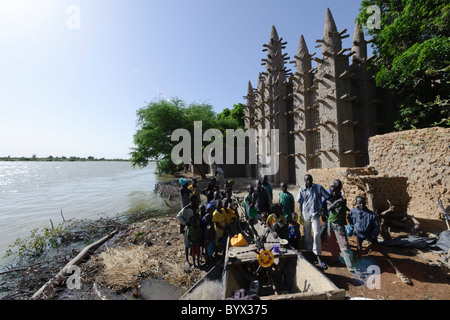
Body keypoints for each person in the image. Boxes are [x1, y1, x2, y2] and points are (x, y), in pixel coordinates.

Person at [296, 174, 330, 269]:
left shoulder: (318, 188)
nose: (309, 182)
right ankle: (309, 252)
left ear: (312, 179)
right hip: (306, 214)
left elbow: (327, 197)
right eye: (307, 180)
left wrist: (323, 208)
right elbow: (299, 203)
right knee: (307, 233)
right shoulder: (302, 190)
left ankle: (318, 255)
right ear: (304, 181)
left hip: (315, 214)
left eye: (310, 180)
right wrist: (300, 215)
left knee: (316, 234)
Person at [326, 185, 354, 271]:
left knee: (344, 244)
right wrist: (337, 202)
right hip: (330, 222)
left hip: (338, 224)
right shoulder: (330, 200)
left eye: (335, 191)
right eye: (332, 191)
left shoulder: (342, 200)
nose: (334, 193)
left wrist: (333, 205)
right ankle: (335, 257)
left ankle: (350, 265)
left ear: (339, 190)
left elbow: (337, 211)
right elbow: (329, 208)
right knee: (331, 240)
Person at [176, 194, 199, 267]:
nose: (197, 201)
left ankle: (193, 256)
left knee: (194, 241)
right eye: (196, 200)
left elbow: (197, 215)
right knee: (186, 242)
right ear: (192, 200)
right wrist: (186, 223)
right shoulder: (186, 208)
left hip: (195, 226)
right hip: (188, 227)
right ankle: (186, 259)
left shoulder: (196, 206)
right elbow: (178, 216)